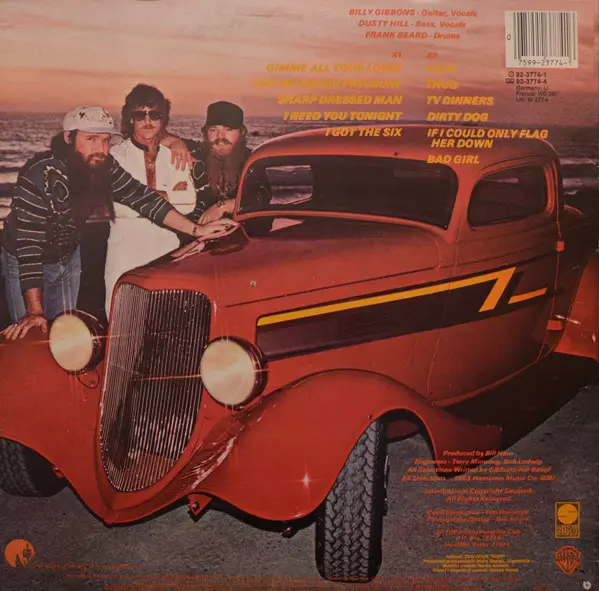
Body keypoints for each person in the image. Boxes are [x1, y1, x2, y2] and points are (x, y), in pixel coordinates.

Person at [0, 106, 233, 340]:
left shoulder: (102, 165)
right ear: (68, 138)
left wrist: (196, 229)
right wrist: (34, 311)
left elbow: (142, 197)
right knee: (32, 335)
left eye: (105, 140)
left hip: (67, 255)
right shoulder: (38, 176)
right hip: (23, 261)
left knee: (63, 335)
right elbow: (29, 247)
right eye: (91, 139)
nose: (101, 149)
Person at [104, 84, 196, 315]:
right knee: (122, 318)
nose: (147, 121)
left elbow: (188, 204)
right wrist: (169, 195)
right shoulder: (115, 156)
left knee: (168, 318)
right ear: (130, 118)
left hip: (168, 251)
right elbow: (116, 207)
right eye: (140, 114)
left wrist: (138, 197)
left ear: (163, 119)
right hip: (125, 252)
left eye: (154, 114)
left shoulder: (175, 155)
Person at [183, 101, 252, 224]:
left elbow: (261, 197)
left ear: (241, 132)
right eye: (213, 130)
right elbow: (157, 137)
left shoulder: (251, 160)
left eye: (229, 129)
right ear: (205, 133)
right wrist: (175, 143)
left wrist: (224, 206)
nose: (220, 137)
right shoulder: (197, 154)